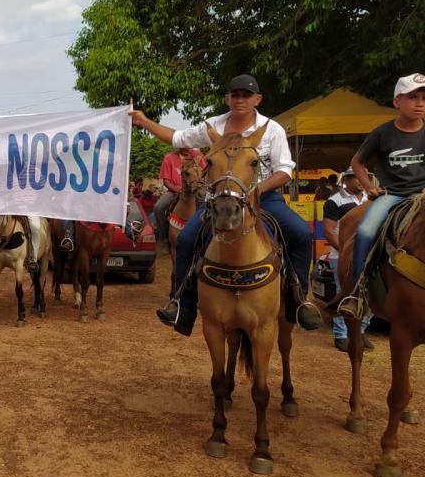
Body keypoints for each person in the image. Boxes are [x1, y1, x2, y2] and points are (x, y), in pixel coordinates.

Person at [130, 74, 323, 335]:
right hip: (218, 201)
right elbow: (177, 138)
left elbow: (284, 171)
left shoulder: (273, 130)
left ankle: (298, 300)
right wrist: (143, 121)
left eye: (246, 95)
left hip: (264, 199)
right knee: (186, 240)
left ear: (257, 99)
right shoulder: (213, 126)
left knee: (300, 233)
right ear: (227, 99)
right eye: (235, 95)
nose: (240, 100)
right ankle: (182, 306)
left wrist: (256, 191)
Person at [338, 72, 425, 318]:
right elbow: (357, 162)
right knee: (365, 231)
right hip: (393, 195)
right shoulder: (382, 133)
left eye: (424, 98)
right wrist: (369, 187)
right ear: (397, 101)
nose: (420, 103)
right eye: (413, 97)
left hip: (423, 195)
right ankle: (357, 292)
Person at [322, 168, 371, 351]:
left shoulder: (371, 199)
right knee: (344, 291)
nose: (361, 181)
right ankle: (341, 334)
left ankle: (362, 331)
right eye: (357, 178)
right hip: (341, 255)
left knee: (369, 292)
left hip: (369, 253)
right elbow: (329, 231)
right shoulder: (335, 201)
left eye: (364, 178)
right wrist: (346, 253)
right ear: (347, 180)